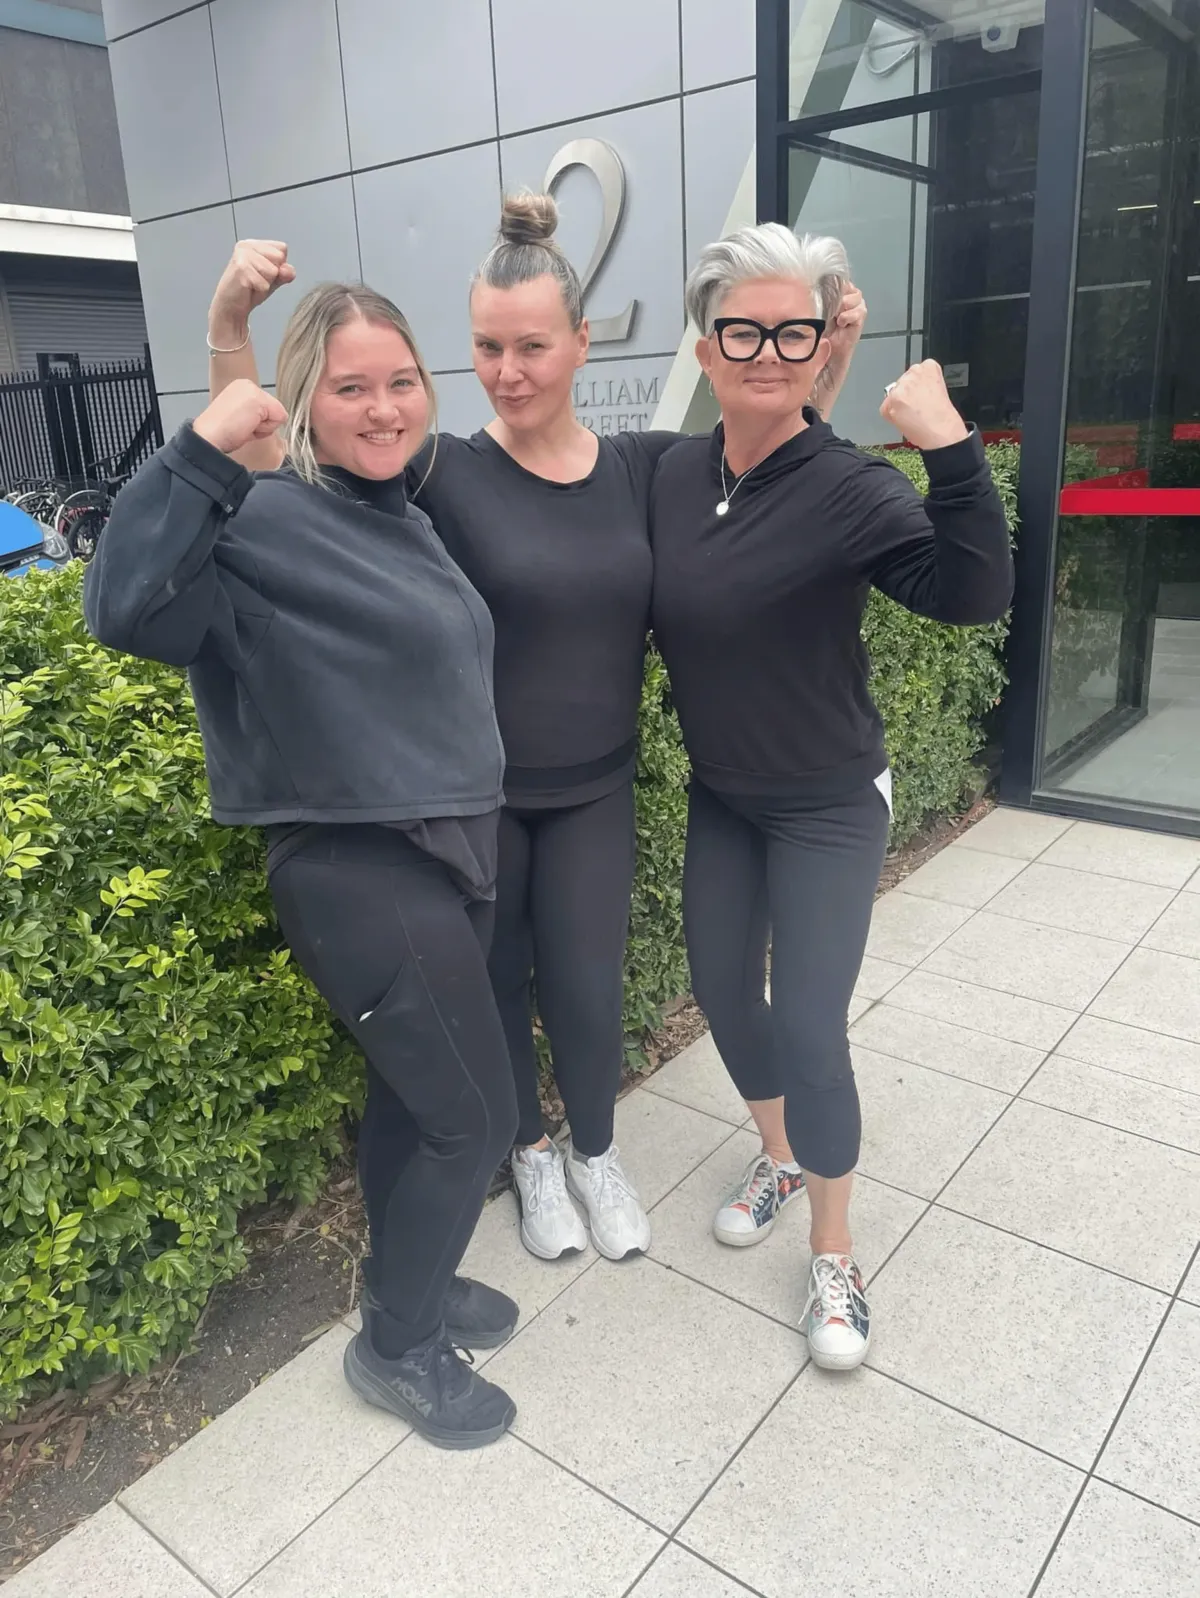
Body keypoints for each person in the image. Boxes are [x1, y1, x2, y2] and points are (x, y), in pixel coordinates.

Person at [203, 208, 868, 1265]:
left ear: (581, 342)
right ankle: (531, 1151)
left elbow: (776, 449)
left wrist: (825, 356)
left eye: (531, 346)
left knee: (587, 982)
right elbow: (275, 474)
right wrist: (231, 333)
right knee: (501, 978)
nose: (507, 372)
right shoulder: (441, 469)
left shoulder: (643, 468)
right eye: (486, 348)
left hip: (596, 787)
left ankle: (597, 1150)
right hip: (482, 794)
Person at [84, 282, 523, 1450]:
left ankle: (405, 1288)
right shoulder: (259, 516)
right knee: (471, 1119)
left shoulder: (398, 509)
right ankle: (398, 1350)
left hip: (447, 851)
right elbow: (124, 605)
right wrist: (200, 454)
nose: (383, 408)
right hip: (354, 860)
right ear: (302, 401)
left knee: (419, 1098)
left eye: (401, 380)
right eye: (350, 386)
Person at [650, 223, 1013, 1370]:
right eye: (742, 330)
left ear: (816, 348)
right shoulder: (664, 472)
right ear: (706, 347)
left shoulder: (850, 486)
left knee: (810, 1025)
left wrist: (948, 448)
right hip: (724, 792)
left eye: (791, 331)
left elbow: (970, 593)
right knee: (720, 987)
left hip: (826, 802)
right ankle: (779, 1150)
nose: (766, 350)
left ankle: (836, 1250)